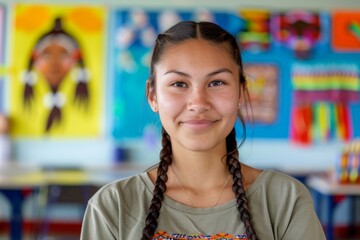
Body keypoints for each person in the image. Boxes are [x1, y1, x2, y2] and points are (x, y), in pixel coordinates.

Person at [80, 21, 326, 240]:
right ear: (152, 95)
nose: (198, 103)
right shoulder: (113, 206)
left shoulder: (285, 199)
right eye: (179, 84)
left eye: (216, 82)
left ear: (241, 92)